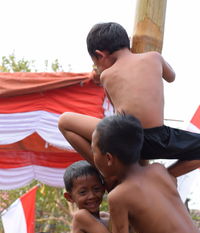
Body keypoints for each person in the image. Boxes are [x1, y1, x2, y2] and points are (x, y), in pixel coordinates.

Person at [58, 22, 200, 179]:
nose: (98, 68)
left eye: (96, 63)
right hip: (160, 138)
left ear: (100, 55)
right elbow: (171, 77)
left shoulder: (107, 75)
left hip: (125, 138)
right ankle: (165, 176)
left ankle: (106, 171)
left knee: (64, 122)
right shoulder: (154, 57)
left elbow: (117, 113)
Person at [90, 113, 200, 233]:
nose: (92, 156)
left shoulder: (119, 196)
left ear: (108, 158)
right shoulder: (159, 171)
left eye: (93, 151)